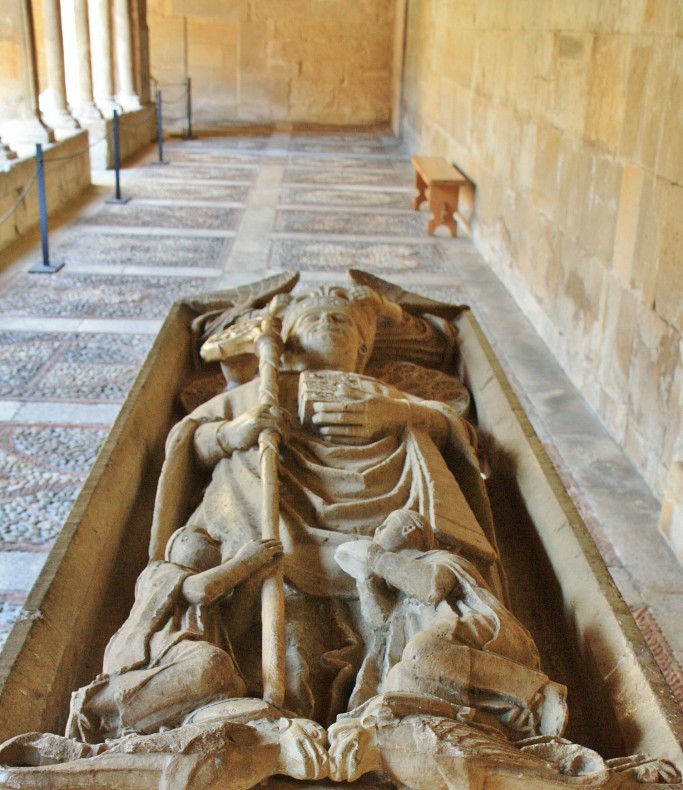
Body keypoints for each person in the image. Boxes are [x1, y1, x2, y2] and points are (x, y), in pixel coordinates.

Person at [149, 284, 504, 725]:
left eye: (340, 321)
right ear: (290, 346)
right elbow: (190, 440)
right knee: (293, 635)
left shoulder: (385, 393)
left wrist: (395, 414)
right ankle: (275, 719)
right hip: (280, 517)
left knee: (390, 607)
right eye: (313, 320)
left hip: (382, 513)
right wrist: (234, 433)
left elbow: (457, 432)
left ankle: (395, 706)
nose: (327, 325)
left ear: (362, 349)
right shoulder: (263, 390)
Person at [335, 509, 567, 737]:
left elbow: (432, 587)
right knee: (398, 683)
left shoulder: (439, 559)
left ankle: (537, 695)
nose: (377, 531)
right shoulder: (395, 586)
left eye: (385, 526)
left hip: (475, 633)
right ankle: (497, 729)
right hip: (435, 661)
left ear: (408, 529)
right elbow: (381, 623)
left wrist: (375, 557)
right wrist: (365, 578)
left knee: (423, 652)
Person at [66, 525, 281, 741]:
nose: (216, 543)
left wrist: (256, 578)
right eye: (204, 538)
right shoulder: (161, 570)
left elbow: (233, 630)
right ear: (180, 542)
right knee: (212, 663)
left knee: (234, 683)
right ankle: (101, 712)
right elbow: (199, 590)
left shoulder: (214, 601)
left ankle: (175, 725)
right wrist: (244, 562)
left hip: (188, 663)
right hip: (155, 658)